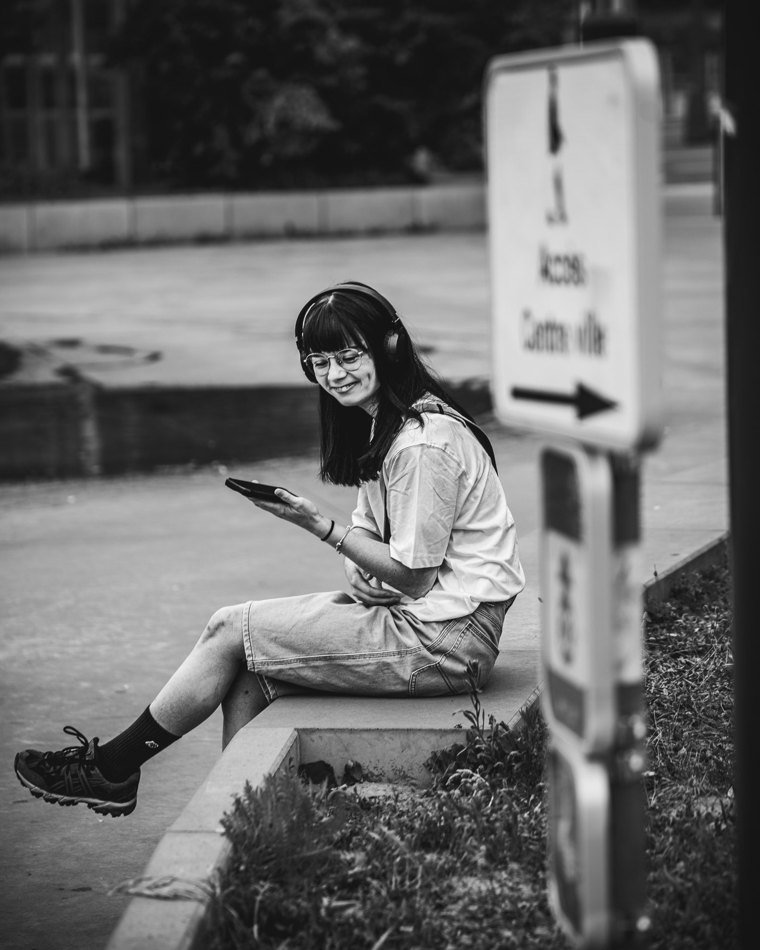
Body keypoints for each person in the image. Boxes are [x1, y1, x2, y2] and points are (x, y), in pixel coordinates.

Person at [14, 281, 525, 817]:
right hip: (431, 625)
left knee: (228, 627)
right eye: (320, 363)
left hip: (446, 642)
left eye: (349, 356)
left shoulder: (422, 442)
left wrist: (320, 527)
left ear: (389, 347)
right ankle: (247, 817)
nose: (335, 374)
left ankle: (114, 768)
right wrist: (355, 564)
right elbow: (373, 535)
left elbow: (414, 576)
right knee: (250, 671)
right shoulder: (388, 424)